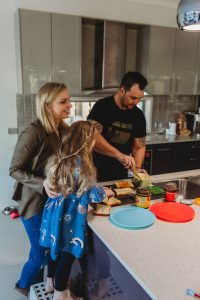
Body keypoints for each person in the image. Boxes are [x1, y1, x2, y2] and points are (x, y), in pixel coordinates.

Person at [39, 120, 113, 300]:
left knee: (53, 248)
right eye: (94, 140)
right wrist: (104, 192)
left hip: (53, 214)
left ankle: (50, 282)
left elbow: (57, 182)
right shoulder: (82, 164)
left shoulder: (59, 157)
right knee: (67, 254)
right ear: (86, 143)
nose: (96, 143)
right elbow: (89, 194)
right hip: (70, 218)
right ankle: (61, 293)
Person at [9, 82, 71, 297]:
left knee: (42, 248)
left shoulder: (62, 129)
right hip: (33, 202)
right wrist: (42, 183)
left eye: (68, 100)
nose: (69, 106)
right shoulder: (33, 132)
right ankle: (24, 284)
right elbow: (14, 169)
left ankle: (37, 284)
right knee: (42, 254)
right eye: (63, 101)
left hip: (51, 202)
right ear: (47, 106)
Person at [87, 71, 148, 181]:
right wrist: (119, 155)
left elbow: (139, 146)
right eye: (133, 98)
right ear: (122, 90)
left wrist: (137, 168)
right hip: (94, 172)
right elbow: (92, 137)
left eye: (140, 98)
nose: (136, 102)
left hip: (120, 175)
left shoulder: (138, 115)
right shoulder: (102, 106)